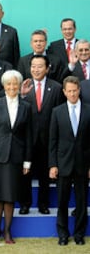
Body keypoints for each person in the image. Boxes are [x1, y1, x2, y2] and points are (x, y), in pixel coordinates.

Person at [0, 70, 32, 244]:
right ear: (4, 86)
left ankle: (8, 232)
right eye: (9, 84)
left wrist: (27, 160)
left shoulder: (26, 106)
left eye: (15, 84)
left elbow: (29, 135)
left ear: (19, 86)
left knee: (10, 196)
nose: (12, 87)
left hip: (16, 156)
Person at [18, 55, 63, 215]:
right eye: (33, 66)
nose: (36, 69)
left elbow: (59, 114)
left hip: (47, 138)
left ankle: (43, 204)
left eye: (40, 66)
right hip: (26, 138)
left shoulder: (56, 87)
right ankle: (25, 203)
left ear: (47, 68)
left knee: (45, 174)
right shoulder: (24, 85)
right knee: (25, 173)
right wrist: (21, 95)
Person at [49, 76, 90, 246]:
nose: (72, 94)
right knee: (62, 202)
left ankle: (79, 234)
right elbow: (53, 141)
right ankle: (63, 234)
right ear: (64, 92)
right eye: (69, 91)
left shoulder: (89, 110)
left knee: (81, 202)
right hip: (63, 164)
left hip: (83, 164)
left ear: (79, 90)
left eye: (75, 91)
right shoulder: (57, 112)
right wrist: (52, 165)